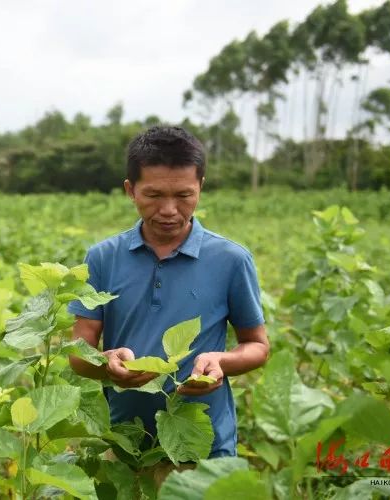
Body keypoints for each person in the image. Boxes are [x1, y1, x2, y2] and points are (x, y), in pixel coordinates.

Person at [68, 125, 270, 462]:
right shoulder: (103, 257)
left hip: (202, 446)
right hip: (123, 442)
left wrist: (221, 361)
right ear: (130, 190)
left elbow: (258, 346)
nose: (169, 210)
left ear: (200, 189)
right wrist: (106, 364)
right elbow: (78, 353)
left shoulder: (231, 260)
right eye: (154, 195)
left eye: (183, 195)